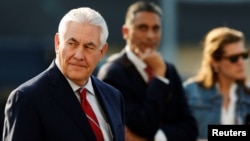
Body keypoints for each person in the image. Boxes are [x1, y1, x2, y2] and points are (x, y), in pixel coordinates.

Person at [2, 7, 125, 141]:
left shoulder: (113, 97)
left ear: (102, 52)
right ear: (57, 43)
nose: (79, 55)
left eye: (89, 47)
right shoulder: (27, 99)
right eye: (72, 43)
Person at [97, 1, 198, 141]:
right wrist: (159, 79)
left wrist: (156, 138)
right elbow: (144, 125)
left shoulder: (168, 69)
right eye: (142, 28)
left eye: (156, 28)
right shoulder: (112, 73)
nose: (150, 35)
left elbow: (190, 129)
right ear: (126, 32)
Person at [183, 26, 250, 140]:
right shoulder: (191, 92)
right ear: (214, 61)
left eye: (244, 56)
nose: (241, 62)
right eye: (233, 58)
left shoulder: (247, 96)